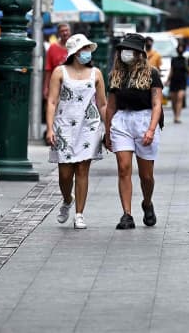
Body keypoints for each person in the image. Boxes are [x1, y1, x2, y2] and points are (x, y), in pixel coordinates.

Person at [45, 33, 108, 230]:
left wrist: (109, 129)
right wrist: (49, 129)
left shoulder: (96, 74)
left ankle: (79, 214)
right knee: (65, 174)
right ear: (74, 52)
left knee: (82, 170)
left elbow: (102, 103)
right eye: (83, 49)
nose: (86, 53)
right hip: (64, 126)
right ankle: (67, 199)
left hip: (88, 126)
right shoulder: (59, 72)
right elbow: (52, 101)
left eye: (88, 49)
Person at [103, 33, 164, 230]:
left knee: (146, 176)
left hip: (145, 120)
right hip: (122, 121)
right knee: (123, 168)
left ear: (139, 53)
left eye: (129, 50)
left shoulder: (152, 73)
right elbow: (111, 107)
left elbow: (157, 104)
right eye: (123, 50)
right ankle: (127, 214)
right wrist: (107, 132)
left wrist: (151, 130)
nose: (125, 53)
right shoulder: (115, 75)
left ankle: (147, 202)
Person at [43, 23, 72, 121]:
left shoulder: (75, 48)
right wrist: (46, 87)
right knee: (55, 110)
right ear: (58, 33)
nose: (65, 33)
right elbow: (48, 69)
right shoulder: (52, 48)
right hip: (56, 86)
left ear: (70, 31)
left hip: (72, 85)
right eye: (62, 31)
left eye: (66, 30)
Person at [168, 38, 189, 123]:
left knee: (180, 98)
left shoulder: (186, 60)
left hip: (182, 81)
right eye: (179, 48)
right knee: (173, 100)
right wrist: (167, 80)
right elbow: (171, 71)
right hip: (173, 81)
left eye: (182, 48)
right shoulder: (174, 59)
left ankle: (178, 117)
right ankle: (175, 114)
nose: (180, 49)